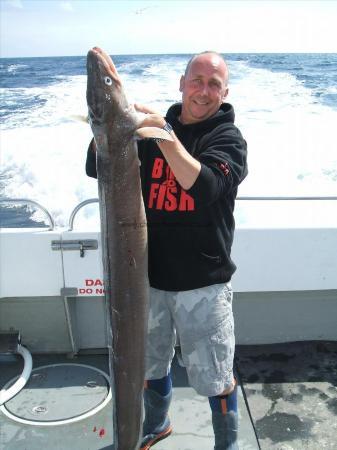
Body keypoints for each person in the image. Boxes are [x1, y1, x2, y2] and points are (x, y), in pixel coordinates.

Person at [86, 51, 247, 450]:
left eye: (213, 84)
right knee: (150, 365)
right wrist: (108, 125)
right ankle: (156, 425)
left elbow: (206, 186)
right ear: (182, 82)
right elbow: (97, 166)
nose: (203, 90)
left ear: (224, 92)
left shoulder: (226, 138)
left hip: (203, 286)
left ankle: (226, 445)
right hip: (148, 282)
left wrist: (164, 137)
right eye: (197, 80)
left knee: (215, 376)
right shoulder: (151, 128)